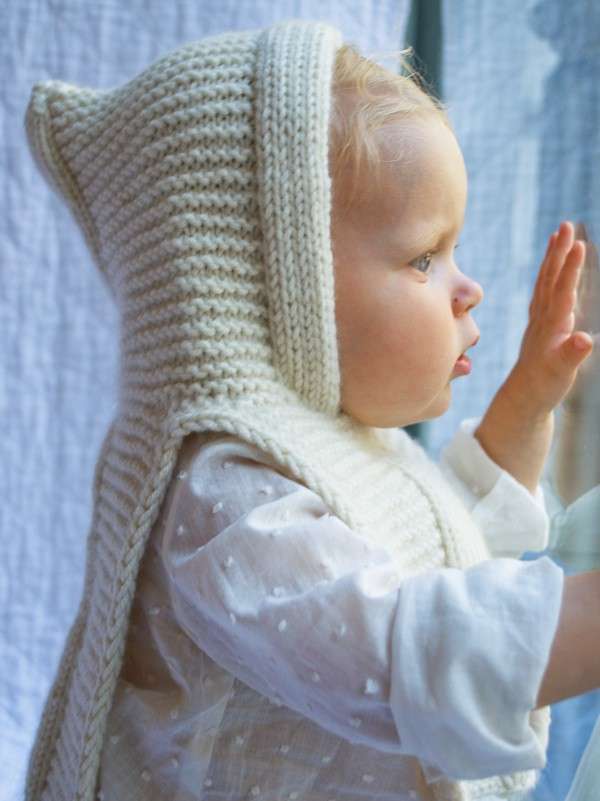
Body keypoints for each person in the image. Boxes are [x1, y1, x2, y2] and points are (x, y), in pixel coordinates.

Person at [22, 18, 599, 801]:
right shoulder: (223, 499)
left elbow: (438, 548)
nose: (468, 288)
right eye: (425, 257)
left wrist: (525, 407)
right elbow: (399, 654)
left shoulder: (343, 446)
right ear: (275, 295)